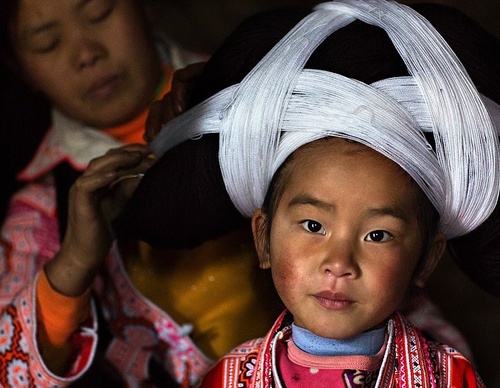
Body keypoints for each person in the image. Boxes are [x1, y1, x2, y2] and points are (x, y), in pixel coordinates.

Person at [125, 0, 500, 386]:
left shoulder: (450, 376)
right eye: (313, 225)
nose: (339, 263)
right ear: (263, 238)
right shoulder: (227, 378)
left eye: (378, 235)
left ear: (426, 259)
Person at [0, 0, 280, 386]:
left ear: (145, 5)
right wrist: (74, 264)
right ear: (20, 68)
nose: (87, 53)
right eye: (48, 43)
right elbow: (10, 372)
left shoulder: (265, 78)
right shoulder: (43, 211)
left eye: (99, 12)